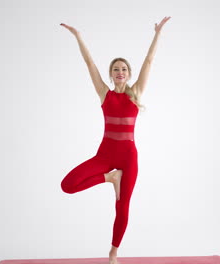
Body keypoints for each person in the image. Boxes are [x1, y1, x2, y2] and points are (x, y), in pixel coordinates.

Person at [59, 16, 171, 264]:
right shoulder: (104, 93)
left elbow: (150, 61)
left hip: (129, 157)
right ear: (111, 74)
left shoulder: (136, 93)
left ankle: (113, 253)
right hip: (105, 156)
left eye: (124, 69)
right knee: (67, 185)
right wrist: (78, 36)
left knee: (122, 207)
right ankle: (110, 178)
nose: (120, 72)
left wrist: (158, 33)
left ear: (129, 74)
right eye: (116, 69)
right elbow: (89, 63)